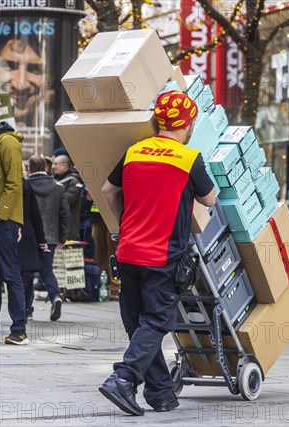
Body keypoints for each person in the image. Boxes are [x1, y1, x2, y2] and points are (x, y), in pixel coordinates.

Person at [99, 91, 215, 416]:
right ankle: (123, 379)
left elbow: (109, 191)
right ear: (188, 123)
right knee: (155, 322)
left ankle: (161, 393)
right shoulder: (189, 158)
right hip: (163, 256)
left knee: (137, 323)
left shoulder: (135, 152)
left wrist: (124, 222)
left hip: (127, 251)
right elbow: (209, 200)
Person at [0, 120, 28, 345]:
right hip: (0, 219)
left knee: (10, 275)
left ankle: (19, 329)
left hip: (3, 221)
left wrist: (1, 214)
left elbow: (14, 182)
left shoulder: (7, 141)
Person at [26, 155, 69, 321]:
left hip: (29, 236)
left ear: (29, 168)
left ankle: (27, 310)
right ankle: (55, 296)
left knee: (27, 273)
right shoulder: (58, 187)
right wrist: (63, 237)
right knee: (46, 270)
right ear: (46, 168)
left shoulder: (26, 185)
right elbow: (65, 214)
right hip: (51, 236)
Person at [19, 179, 47, 322]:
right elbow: (35, 214)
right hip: (26, 232)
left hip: (5, 231)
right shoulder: (24, 184)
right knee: (25, 276)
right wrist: (41, 239)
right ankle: (24, 312)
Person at [53, 154, 83, 241]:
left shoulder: (74, 181)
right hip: (57, 224)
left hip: (68, 225)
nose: (53, 167)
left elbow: (67, 201)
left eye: (56, 164)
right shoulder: (55, 179)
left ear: (64, 165)